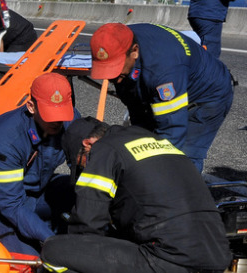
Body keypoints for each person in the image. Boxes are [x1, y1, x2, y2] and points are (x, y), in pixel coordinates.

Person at [42, 117, 231, 273]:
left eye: (78, 163)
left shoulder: (102, 150)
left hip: (177, 268)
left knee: (55, 252)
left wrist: (77, 268)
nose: (80, 169)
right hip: (215, 259)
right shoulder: (151, 140)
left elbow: (86, 230)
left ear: (88, 144)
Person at [89, 22, 234, 172]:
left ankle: (185, 193)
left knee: (182, 159)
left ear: (134, 51)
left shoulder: (162, 71)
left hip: (207, 95)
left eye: (116, 69)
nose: (113, 79)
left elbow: (172, 129)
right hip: (169, 77)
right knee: (142, 146)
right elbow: (136, 109)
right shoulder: (118, 39)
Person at [0, 73, 75, 257]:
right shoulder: (5, 140)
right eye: (50, 115)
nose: (57, 121)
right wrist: (51, 240)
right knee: (32, 262)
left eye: (62, 113)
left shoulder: (68, 118)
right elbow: (11, 205)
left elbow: (80, 162)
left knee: (81, 188)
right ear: (31, 107)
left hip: (35, 190)